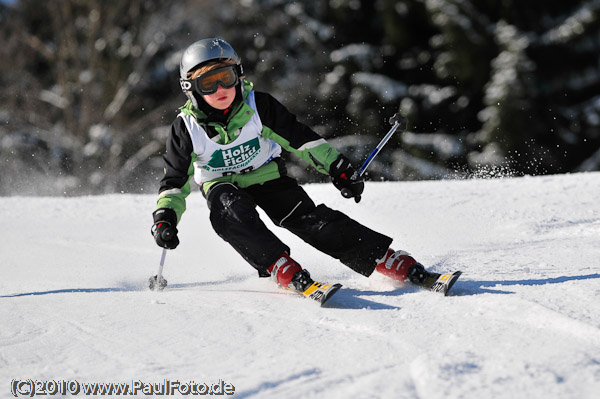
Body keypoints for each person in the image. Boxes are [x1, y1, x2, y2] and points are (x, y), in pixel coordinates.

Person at [151, 38, 432, 293]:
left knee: (309, 220)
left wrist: (338, 168)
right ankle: (278, 265)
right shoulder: (185, 128)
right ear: (190, 89)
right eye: (209, 84)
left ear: (239, 75)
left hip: (267, 176)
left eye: (226, 78)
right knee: (228, 213)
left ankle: (383, 257)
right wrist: (165, 217)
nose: (222, 89)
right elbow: (174, 180)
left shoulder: (258, 107)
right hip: (222, 184)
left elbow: (300, 140)